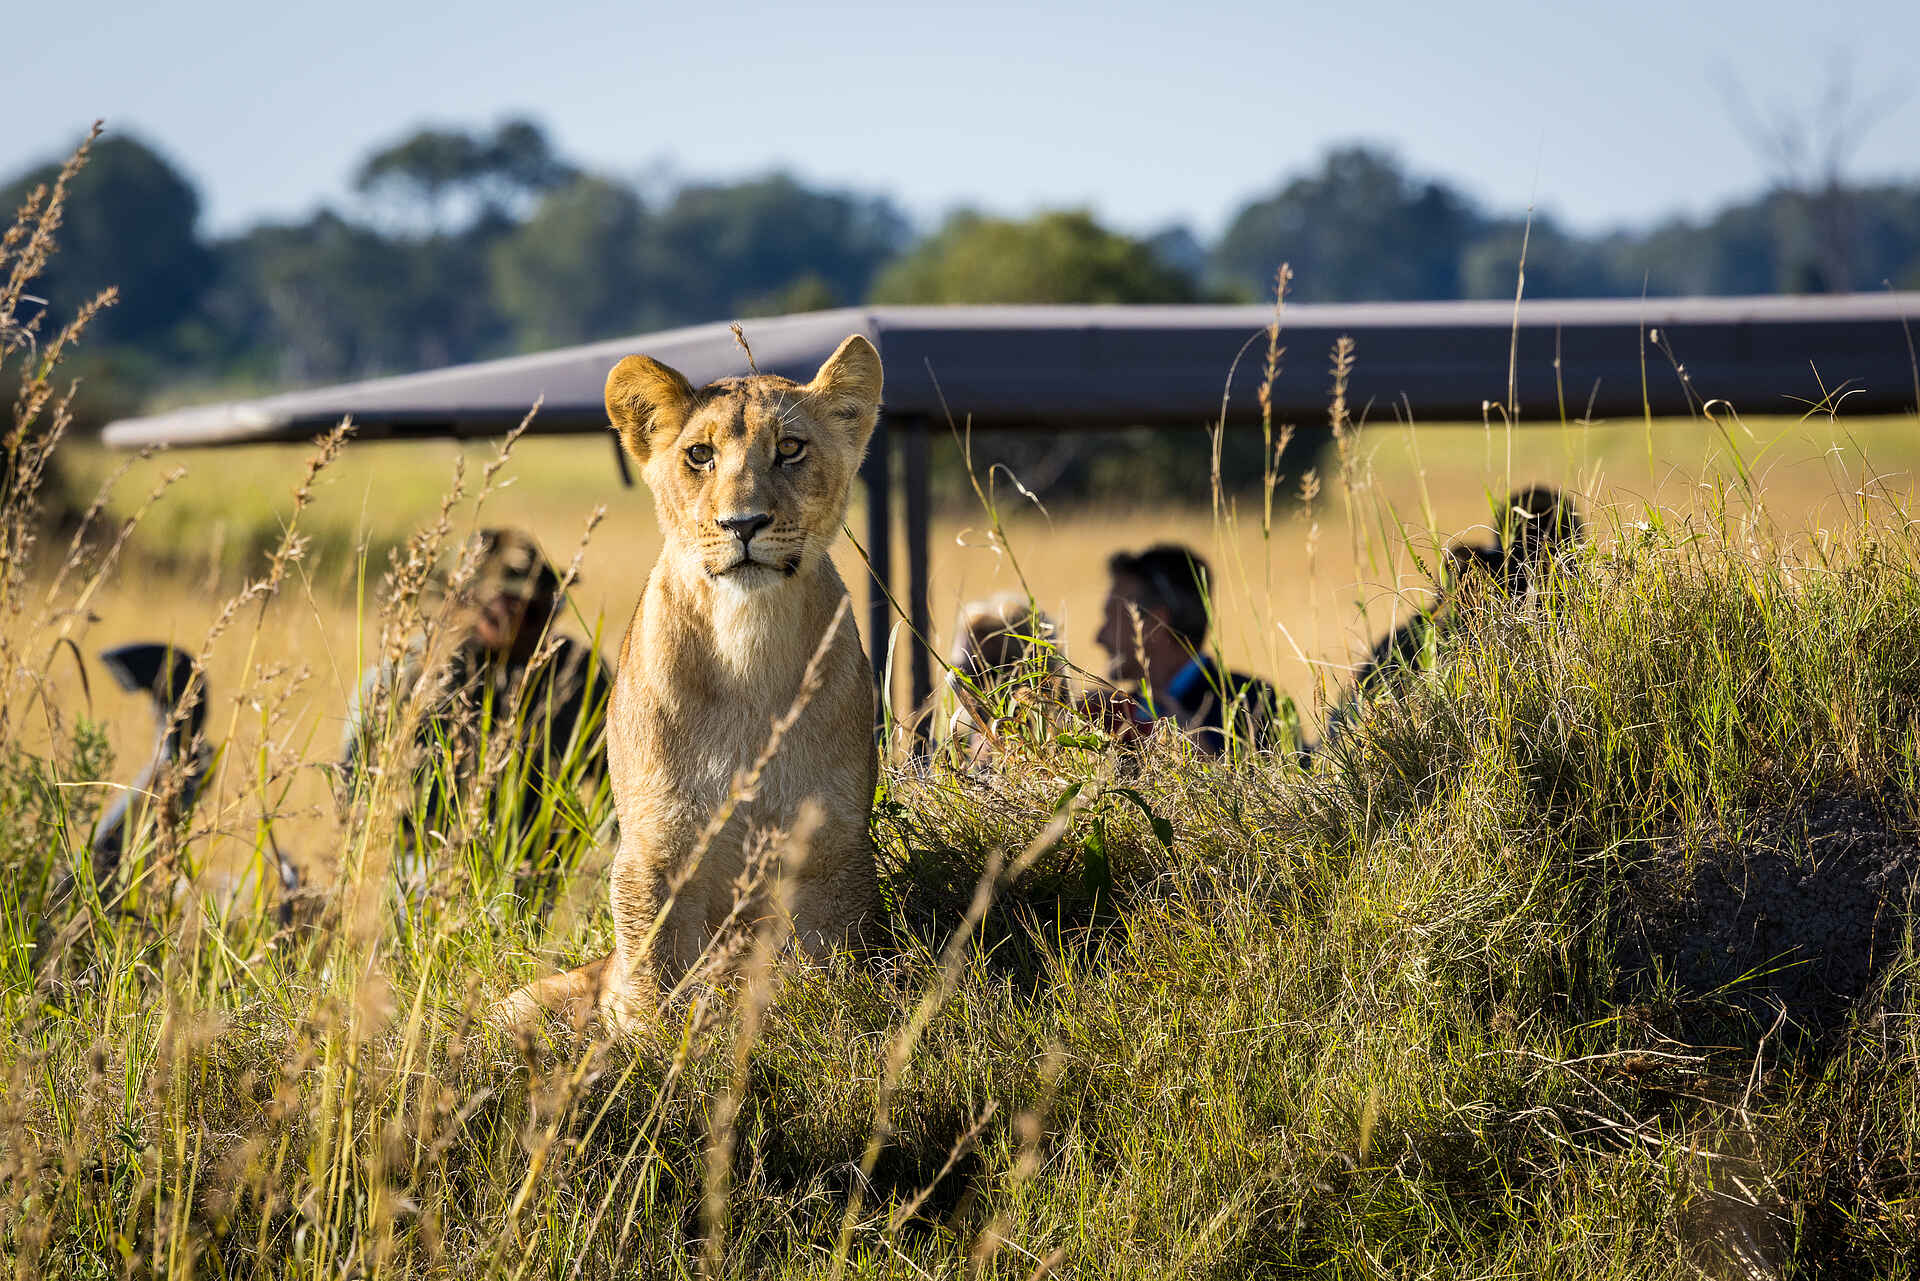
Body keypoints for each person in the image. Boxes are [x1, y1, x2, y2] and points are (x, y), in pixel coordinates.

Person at [339, 527, 613, 896]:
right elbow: (359, 810)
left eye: (551, 607)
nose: (545, 622)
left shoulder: (578, 673)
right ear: (467, 604)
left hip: (548, 881)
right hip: (426, 883)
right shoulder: (403, 682)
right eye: (529, 611)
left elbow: (622, 795)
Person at [1091, 543, 1281, 754]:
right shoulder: (1114, 713)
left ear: (1154, 623)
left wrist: (1202, 760)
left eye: (1112, 618)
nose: (1098, 638)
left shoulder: (1255, 704)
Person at [938, 593, 1063, 760]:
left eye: (991, 671)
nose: (969, 687)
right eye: (959, 675)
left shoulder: (1076, 737)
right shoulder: (954, 748)